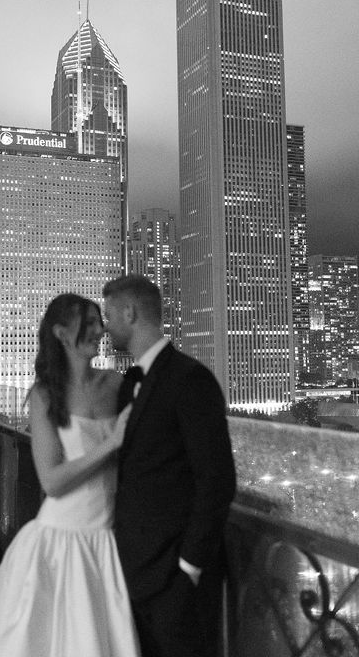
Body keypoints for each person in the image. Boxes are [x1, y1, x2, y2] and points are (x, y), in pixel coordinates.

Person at [0, 293, 141, 657]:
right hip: (61, 539)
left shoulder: (117, 385)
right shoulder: (46, 395)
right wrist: (111, 442)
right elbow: (51, 480)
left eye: (100, 321)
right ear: (61, 333)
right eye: (89, 323)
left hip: (107, 538)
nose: (100, 329)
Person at [102, 274, 236, 657]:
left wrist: (188, 570)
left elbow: (217, 481)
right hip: (134, 572)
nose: (106, 324)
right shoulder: (129, 383)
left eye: (109, 314)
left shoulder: (191, 379)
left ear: (130, 312)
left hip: (178, 580)